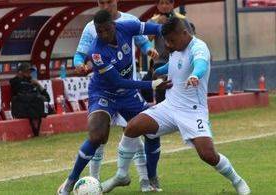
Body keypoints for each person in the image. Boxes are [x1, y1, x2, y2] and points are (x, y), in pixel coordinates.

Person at [102, 17, 251, 195]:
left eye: (171, 41)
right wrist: (160, 71)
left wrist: (196, 75)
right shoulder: (176, 47)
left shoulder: (199, 47)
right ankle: (121, 175)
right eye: (166, 41)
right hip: (170, 106)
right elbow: (175, 65)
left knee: (208, 155)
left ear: (185, 34)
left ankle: (238, 181)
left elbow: (200, 63)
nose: (168, 45)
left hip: (192, 111)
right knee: (133, 127)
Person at [57, 10, 171, 195]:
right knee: (97, 136)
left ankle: (151, 179)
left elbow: (157, 29)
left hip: (128, 95)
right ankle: (71, 181)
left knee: (152, 131)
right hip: (104, 93)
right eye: (98, 31)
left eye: (105, 30)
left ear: (114, 26)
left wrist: (173, 35)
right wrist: (152, 83)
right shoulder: (97, 53)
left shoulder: (128, 26)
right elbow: (118, 82)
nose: (102, 35)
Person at [10, 62, 51, 137]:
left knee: (43, 102)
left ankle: (37, 130)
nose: (29, 74)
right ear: (20, 72)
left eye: (30, 72)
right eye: (27, 72)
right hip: (22, 107)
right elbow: (20, 94)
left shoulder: (31, 81)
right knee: (37, 104)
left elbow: (47, 98)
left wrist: (38, 84)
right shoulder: (15, 81)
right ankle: (36, 131)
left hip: (33, 106)